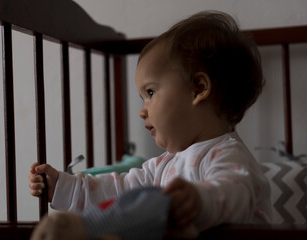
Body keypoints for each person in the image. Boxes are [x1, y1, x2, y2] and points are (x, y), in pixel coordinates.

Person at [29, 10, 271, 239]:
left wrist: (199, 201)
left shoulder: (230, 155)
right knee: (139, 201)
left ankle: (91, 229)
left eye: (151, 92)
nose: (142, 111)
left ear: (199, 88)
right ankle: (89, 227)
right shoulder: (163, 166)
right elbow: (119, 190)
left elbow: (235, 193)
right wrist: (63, 187)